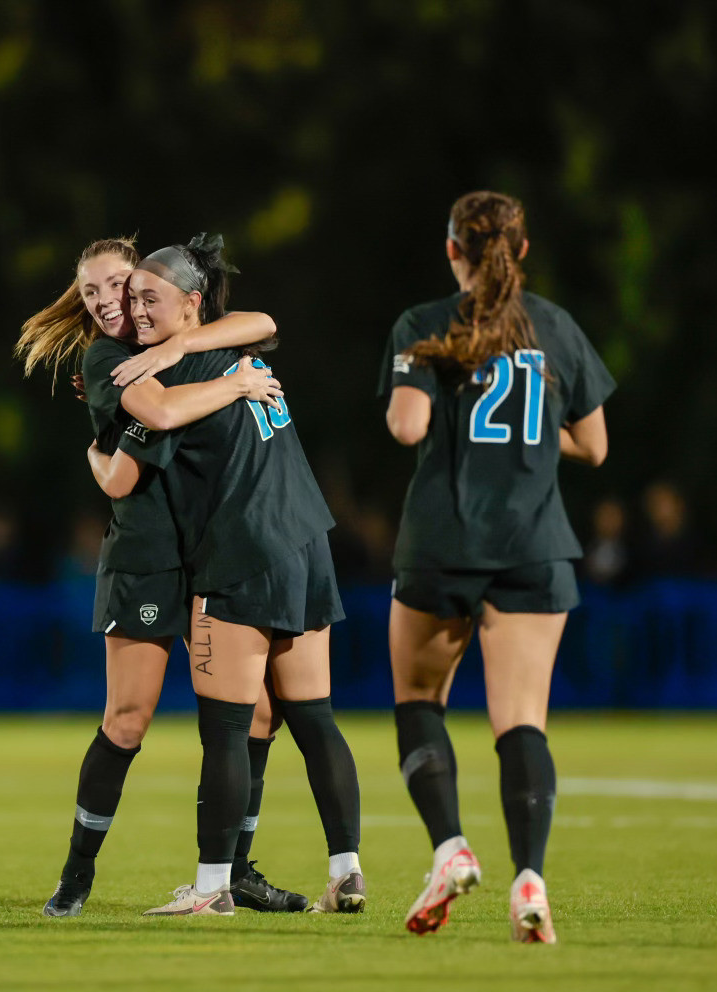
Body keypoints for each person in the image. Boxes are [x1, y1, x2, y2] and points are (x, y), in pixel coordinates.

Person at [15, 238, 305, 916]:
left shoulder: (168, 335)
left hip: (211, 550)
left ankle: (236, 871)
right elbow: (154, 427)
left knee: (259, 713)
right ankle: (76, 874)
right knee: (127, 719)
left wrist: (179, 350)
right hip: (148, 558)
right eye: (90, 293)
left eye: (116, 284)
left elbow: (261, 323)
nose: (105, 300)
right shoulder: (106, 357)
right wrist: (232, 382)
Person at [94, 234, 364, 918]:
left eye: (148, 298)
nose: (136, 310)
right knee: (313, 717)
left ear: (191, 304)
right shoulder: (233, 351)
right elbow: (263, 324)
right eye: (132, 299)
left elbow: (134, 453)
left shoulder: (173, 370)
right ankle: (347, 872)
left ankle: (213, 889)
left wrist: (96, 456)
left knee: (226, 727)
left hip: (243, 548)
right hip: (307, 539)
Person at [381, 192, 614, 943]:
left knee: (419, 698)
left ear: (452, 250)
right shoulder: (554, 326)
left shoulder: (424, 324)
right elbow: (596, 445)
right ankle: (530, 879)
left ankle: (450, 848)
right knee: (522, 720)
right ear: (521, 251)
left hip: (445, 541)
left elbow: (408, 424)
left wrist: (413, 390)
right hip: (533, 543)